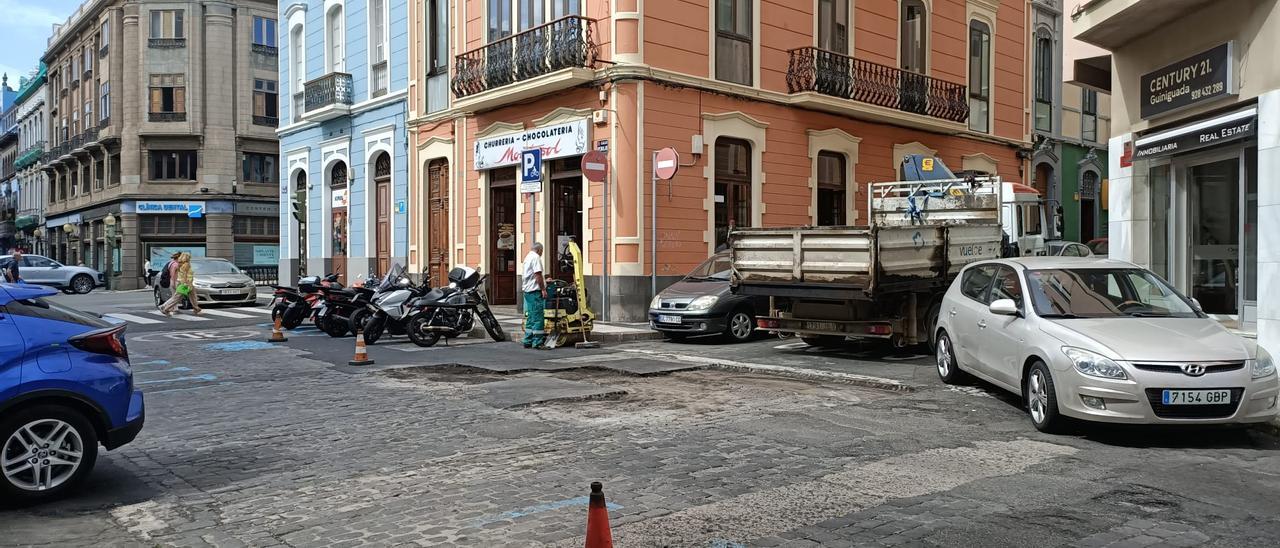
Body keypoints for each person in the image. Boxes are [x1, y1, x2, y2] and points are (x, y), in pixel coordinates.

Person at [521, 242, 548, 349]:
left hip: (527, 291)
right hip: (535, 292)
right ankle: (538, 342)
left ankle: (527, 340)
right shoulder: (536, 257)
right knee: (538, 317)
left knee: (531, 317)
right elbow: (537, 274)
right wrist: (543, 289)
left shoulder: (528, 257)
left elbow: (532, 275)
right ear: (540, 250)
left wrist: (545, 280)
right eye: (542, 252)